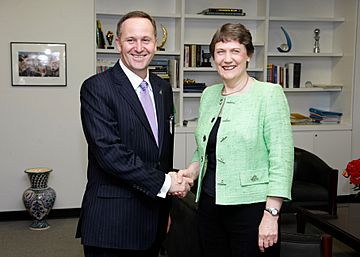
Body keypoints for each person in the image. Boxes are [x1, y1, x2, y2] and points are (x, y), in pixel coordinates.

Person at [76, 11, 192, 257]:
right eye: (131, 40)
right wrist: (167, 183)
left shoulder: (162, 87)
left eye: (146, 40)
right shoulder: (96, 88)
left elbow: (161, 155)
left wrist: (166, 208)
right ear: (118, 43)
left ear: (156, 45)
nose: (139, 48)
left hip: (154, 219)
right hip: (113, 225)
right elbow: (110, 154)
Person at [177, 23, 294, 257]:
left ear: (248, 55)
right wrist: (192, 171)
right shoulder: (209, 95)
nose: (227, 59)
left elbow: (282, 158)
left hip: (252, 209)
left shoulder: (269, 94)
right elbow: (206, 148)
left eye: (235, 51)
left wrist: (271, 215)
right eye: (220, 52)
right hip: (209, 206)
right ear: (213, 57)